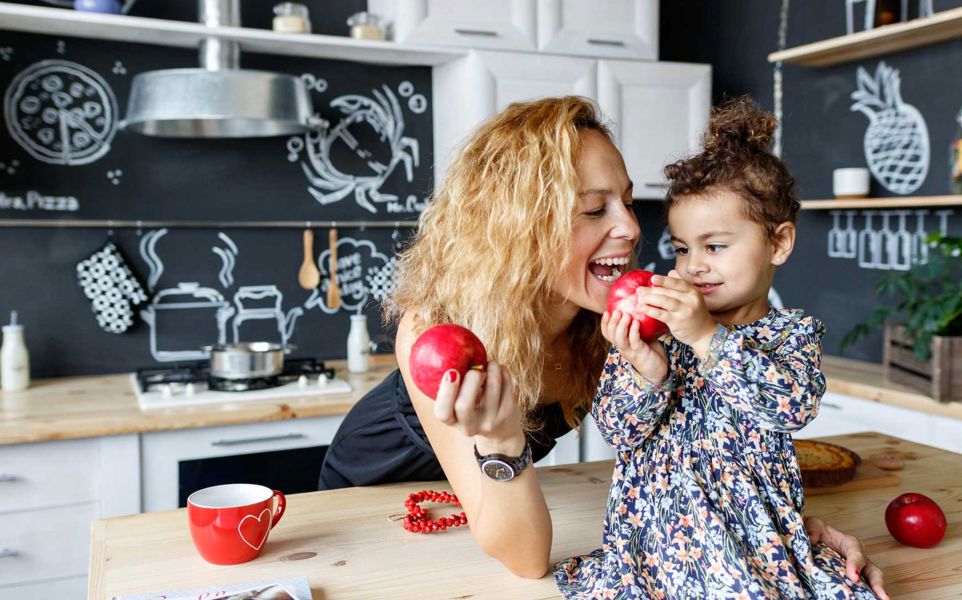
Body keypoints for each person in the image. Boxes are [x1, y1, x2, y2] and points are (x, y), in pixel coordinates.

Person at [318, 96, 888, 593]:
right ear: (520, 227)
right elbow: (525, 557)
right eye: (595, 209)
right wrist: (499, 437)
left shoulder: (616, 325)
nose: (632, 228)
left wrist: (780, 537)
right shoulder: (447, 326)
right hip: (373, 501)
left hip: (492, 514)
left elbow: (716, 430)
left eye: (628, 201)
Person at [554, 97, 887, 599]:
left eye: (715, 246)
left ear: (778, 243)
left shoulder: (790, 335)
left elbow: (791, 406)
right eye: (683, 248)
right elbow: (617, 430)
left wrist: (707, 338)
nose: (693, 266)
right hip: (657, 536)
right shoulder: (661, 334)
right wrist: (645, 368)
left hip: (749, 541)